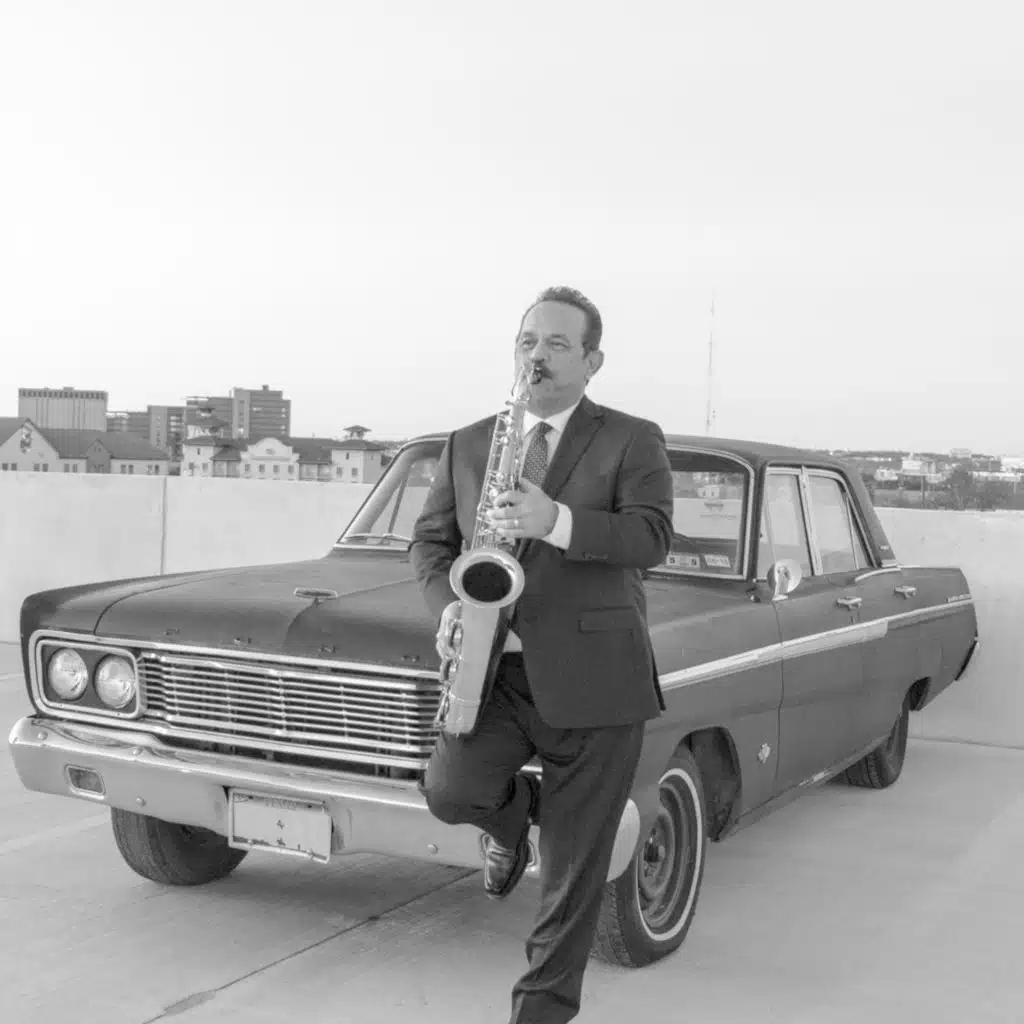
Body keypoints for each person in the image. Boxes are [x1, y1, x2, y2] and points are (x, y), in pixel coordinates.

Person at [410, 285, 674, 1024]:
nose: (539, 356)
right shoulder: (470, 442)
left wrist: (556, 520)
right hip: (493, 672)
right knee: (450, 792)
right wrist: (449, 604)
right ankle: (513, 825)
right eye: (528, 342)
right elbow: (430, 543)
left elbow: (652, 536)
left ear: (592, 361)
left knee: (573, 871)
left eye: (558, 344)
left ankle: (541, 1013)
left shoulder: (632, 438)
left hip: (597, 683)